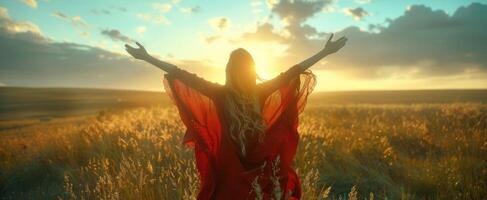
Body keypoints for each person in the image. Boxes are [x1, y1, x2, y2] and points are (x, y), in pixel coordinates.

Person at [125, 34, 347, 200]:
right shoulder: (223, 93)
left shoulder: (253, 92)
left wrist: (325, 52)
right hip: (231, 167)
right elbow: (180, 73)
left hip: (256, 165)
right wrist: (146, 57)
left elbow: (292, 71)